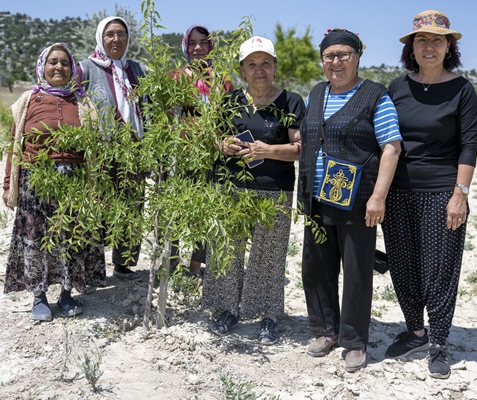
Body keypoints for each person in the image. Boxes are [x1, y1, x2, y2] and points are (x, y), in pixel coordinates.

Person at [381, 10, 477, 379]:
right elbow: (385, 140)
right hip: (398, 192)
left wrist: (461, 195)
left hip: (442, 192)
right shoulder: (397, 87)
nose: (429, 46)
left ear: (448, 47)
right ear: (412, 47)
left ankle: (438, 342)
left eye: (437, 40)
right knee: (405, 267)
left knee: (439, 270)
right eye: (422, 40)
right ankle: (415, 330)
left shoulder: (462, 90)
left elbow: (469, 146)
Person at [298, 29, 402, 373]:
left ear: (358, 56)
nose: (336, 62)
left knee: (356, 270)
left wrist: (378, 196)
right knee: (316, 267)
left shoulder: (375, 95)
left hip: (357, 200)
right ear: (322, 60)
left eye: (344, 54)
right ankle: (325, 331)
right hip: (317, 198)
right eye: (329, 56)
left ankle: (354, 341)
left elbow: (391, 147)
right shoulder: (316, 93)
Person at [202, 36, 304, 345]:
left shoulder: (291, 101)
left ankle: (267, 316)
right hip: (230, 188)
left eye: (265, 63)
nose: (259, 70)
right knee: (225, 251)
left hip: (274, 190)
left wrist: (267, 151)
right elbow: (214, 139)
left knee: (269, 255)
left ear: (274, 67)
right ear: (242, 69)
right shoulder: (230, 100)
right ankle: (226, 310)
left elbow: (300, 148)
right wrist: (224, 144)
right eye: (251, 64)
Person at [2, 43, 106, 321]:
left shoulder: (82, 102)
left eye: (64, 63)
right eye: (52, 62)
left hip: (73, 183)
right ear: (42, 67)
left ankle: (66, 294)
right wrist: (7, 186)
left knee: (71, 239)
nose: (58, 67)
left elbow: (93, 150)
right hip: (34, 183)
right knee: (36, 240)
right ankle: (39, 297)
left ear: (73, 69)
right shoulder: (28, 101)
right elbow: (14, 147)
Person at [76, 16, 147, 281]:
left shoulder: (137, 70)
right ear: (100, 38)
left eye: (121, 34)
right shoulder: (85, 69)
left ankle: (124, 264)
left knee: (131, 206)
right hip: (100, 153)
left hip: (134, 151)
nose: (116, 39)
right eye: (110, 34)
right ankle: (94, 270)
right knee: (98, 206)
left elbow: (148, 109)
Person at [168, 24, 233, 277]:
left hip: (212, 157)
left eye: (203, 43)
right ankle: (171, 263)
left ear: (210, 46)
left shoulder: (221, 80)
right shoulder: (175, 76)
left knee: (205, 212)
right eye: (193, 43)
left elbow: (227, 119)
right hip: (182, 156)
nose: (198, 48)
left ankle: (196, 265)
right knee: (175, 210)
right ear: (185, 45)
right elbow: (166, 117)